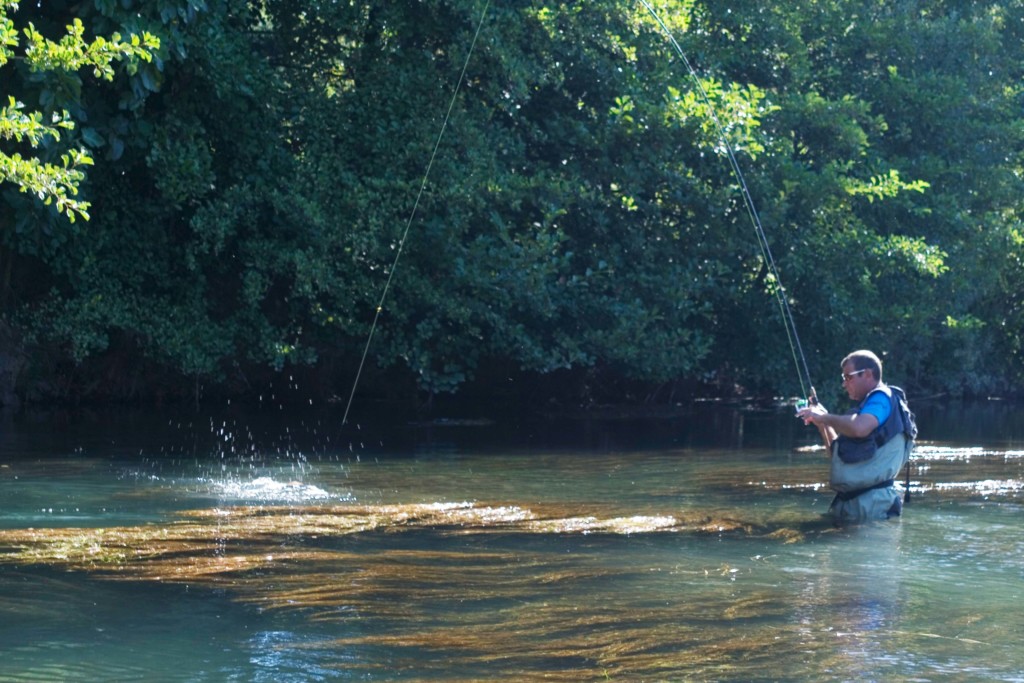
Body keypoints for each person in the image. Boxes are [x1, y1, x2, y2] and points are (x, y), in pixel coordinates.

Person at [796, 349, 913, 525]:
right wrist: (823, 424)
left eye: (848, 377)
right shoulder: (869, 408)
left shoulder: (881, 398)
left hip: (872, 505)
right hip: (854, 504)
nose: (844, 384)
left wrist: (825, 417)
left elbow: (859, 428)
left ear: (867, 374)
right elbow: (838, 456)